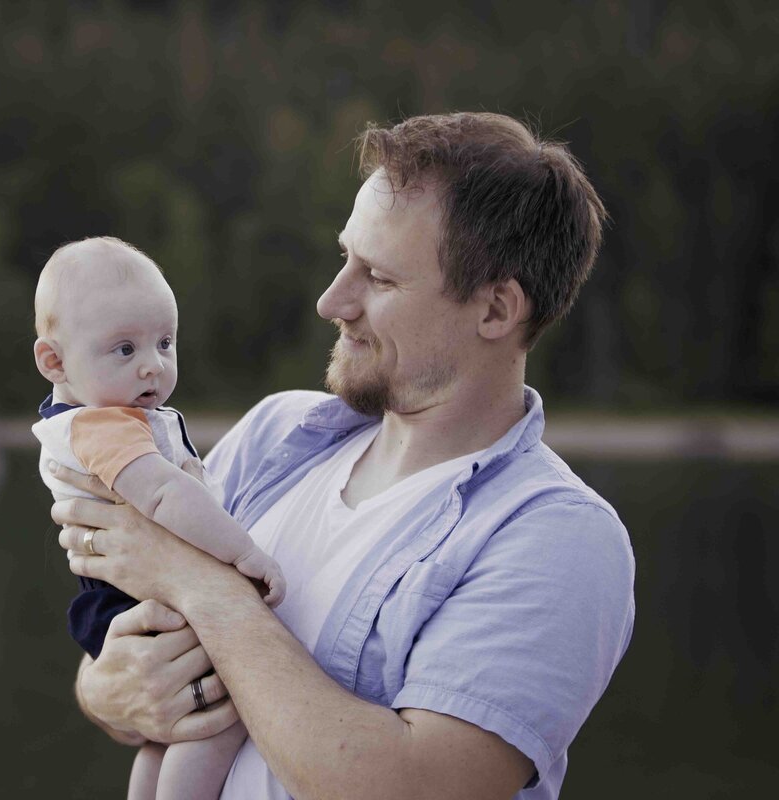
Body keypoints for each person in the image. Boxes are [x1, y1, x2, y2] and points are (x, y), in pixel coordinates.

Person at [50, 112, 636, 799]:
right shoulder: (276, 436)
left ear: (496, 310)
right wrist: (106, 690)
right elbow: (124, 671)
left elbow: (412, 787)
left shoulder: (558, 539)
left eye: (378, 279)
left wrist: (205, 588)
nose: (333, 300)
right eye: (343, 259)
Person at [31, 236, 286, 799]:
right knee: (216, 723)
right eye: (124, 350)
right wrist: (242, 553)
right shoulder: (104, 426)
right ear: (54, 361)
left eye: (165, 343)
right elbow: (165, 498)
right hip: (136, 604)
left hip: (126, 603)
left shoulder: (103, 416)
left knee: (162, 735)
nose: (152, 365)